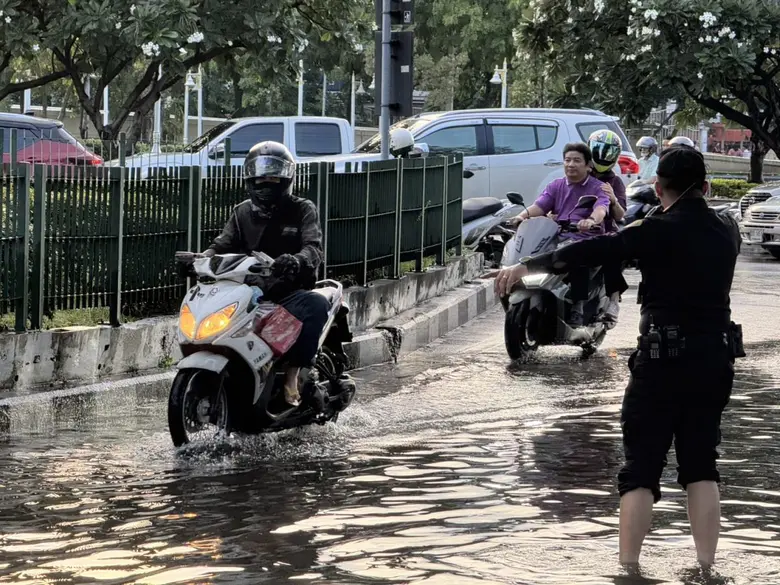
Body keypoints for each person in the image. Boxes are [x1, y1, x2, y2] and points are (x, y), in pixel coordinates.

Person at [490, 145, 743, 569]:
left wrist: (525, 265)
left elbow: (595, 250)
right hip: (714, 360)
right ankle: (705, 568)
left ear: (659, 187)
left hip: (661, 361)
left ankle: (628, 569)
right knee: (701, 465)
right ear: (706, 186)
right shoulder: (728, 228)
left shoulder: (656, 229)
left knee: (641, 467)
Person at [206, 141, 328, 407]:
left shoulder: (302, 209)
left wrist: (296, 260)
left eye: (273, 177)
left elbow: (313, 247)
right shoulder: (241, 213)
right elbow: (221, 245)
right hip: (250, 293)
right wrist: (199, 259)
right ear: (249, 178)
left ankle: (292, 374)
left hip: (290, 292)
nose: (266, 183)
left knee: (318, 304)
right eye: (260, 177)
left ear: (286, 177)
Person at [511, 142, 611, 326]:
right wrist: (520, 216)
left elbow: (601, 209)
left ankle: (578, 307)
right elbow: (539, 206)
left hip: (586, 238)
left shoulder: (598, 188)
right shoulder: (556, 185)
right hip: (557, 236)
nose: (571, 164)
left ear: (588, 165)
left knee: (577, 256)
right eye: (567, 160)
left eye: (577, 160)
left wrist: (590, 221)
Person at [588, 129, 628, 324]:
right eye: (599, 150)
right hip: (574, 229)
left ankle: (613, 299)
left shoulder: (615, 182)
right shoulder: (579, 176)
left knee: (612, 255)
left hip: (604, 231)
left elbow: (621, 215)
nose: (603, 156)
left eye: (609, 152)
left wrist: (612, 199)